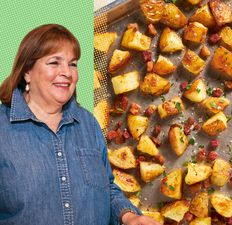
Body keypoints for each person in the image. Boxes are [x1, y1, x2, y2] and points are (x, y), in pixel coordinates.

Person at [0, 24, 160, 225]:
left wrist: (128, 217)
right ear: (27, 72)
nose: (67, 72)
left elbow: (106, 189)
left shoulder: (87, 123)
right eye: (54, 62)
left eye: (72, 64)